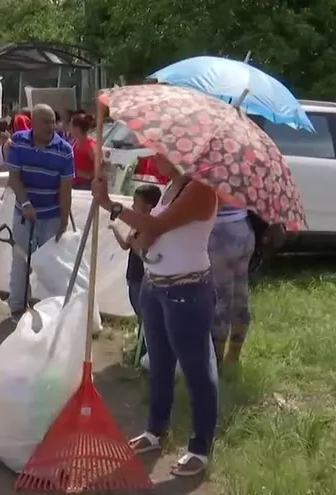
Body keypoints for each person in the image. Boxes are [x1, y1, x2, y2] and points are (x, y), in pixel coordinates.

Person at [91, 159, 219, 478]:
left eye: (162, 150)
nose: (156, 156)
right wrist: (141, 235)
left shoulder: (201, 189)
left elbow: (156, 227)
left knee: (196, 370)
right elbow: (149, 234)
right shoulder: (171, 187)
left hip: (187, 291)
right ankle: (154, 431)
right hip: (156, 286)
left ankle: (200, 447)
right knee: (159, 365)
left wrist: (111, 204)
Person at [6, 104, 74, 321]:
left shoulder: (64, 150)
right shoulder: (19, 141)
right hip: (24, 213)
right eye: (45, 122)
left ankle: (48, 310)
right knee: (21, 260)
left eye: (53, 121)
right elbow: (14, 178)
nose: (51, 126)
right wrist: (26, 204)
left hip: (51, 214)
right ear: (33, 122)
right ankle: (17, 307)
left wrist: (63, 221)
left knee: (49, 264)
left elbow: (65, 189)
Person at [109, 185, 162, 369]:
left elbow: (147, 257)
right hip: (133, 276)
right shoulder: (137, 226)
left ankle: (145, 352)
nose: (132, 206)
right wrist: (115, 228)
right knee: (140, 314)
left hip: (142, 277)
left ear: (147, 207)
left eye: (135, 204)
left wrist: (135, 244)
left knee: (144, 316)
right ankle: (142, 349)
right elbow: (126, 244)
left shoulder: (151, 228)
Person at [209, 205, 255, 364]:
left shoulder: (212, 179)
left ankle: (217, 362)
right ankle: (233, 356)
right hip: (242, 225)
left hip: (220, 231)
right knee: (239, 294)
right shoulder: (239, 178)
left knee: (220, 298)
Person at [70, 113, 97, 190]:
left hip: (86, 186)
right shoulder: (74, 143)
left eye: (71, 126)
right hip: (74, 184)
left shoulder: (90, 146)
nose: (70, 129)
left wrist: (87, 175)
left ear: (77, 129)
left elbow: (100, 167)